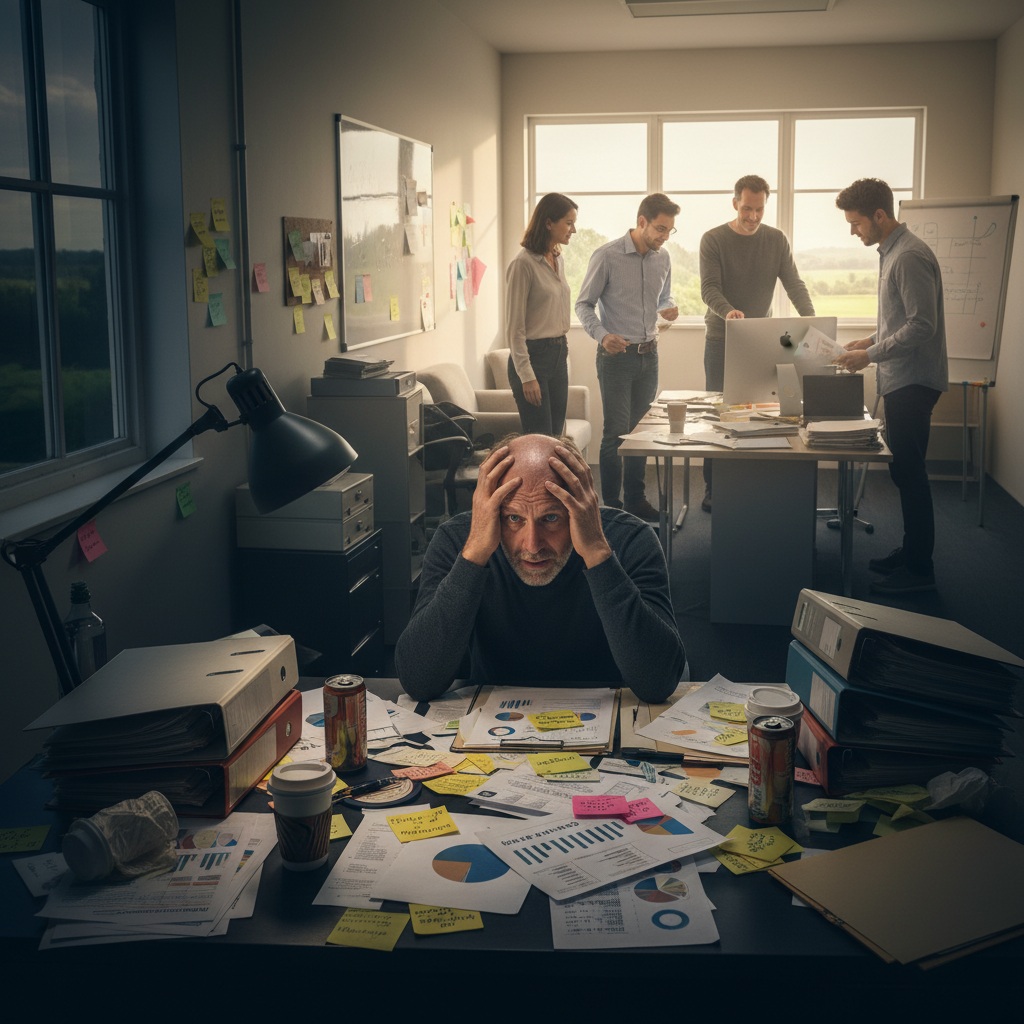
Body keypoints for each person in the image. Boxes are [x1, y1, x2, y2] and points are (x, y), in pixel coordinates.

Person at [394, 433, 686, 703]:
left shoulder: (631, 539)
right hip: (492, 728)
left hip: (605, 719)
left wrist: (598, 553)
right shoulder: (459, 540)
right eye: (513, 519)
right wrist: (473, 557)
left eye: (551, 518)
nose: (532, 545)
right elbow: (420, 681)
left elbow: (658, 682)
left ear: (582, 505)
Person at [834, 177, 948, 595]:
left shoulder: (908, 256)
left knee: (911, 474)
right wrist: (867, 341)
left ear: (879, 216)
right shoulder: (891, 252)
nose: (853, 231)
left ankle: (920, 572)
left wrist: (870, 355)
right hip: (903, 378)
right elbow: (898, 319)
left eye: (857, 223)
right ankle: (912, 551)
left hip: (913, 381)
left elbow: (922, 325)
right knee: (904, 472)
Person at [699, 174, 815, 511]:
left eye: (759, 209)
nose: (752, 216)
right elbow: (709, 288)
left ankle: (750, 482)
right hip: (722, 337)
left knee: (757, 411)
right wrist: (729, 312)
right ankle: (713, 489)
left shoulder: (776, 240)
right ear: (735, 202)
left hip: (758, 339)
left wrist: (810, 321)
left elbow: (794, 283)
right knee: (721, 411)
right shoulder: (713, 239)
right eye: (747, 208)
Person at [575, 193, 680, 522]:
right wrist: (603, 336)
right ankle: (610, 511)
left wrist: (668, 306)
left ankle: (635, 501)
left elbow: (664, 295)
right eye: (660, 229)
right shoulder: (606, 256)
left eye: (670, 231)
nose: (664, 237)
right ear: (641, 222)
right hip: (616, 359)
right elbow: (583, 305)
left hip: (650, 357)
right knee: (616, 433)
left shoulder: (663, 258)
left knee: (640, 433)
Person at [505, 193, 578, 436]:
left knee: (555, 439)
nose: (574, 230)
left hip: (559, 353)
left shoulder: (558, 259)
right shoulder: (523, 264)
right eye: (568, 223)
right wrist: (527, 376)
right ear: (548, 223)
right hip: (533, 357)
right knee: (539, 441)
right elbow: (514, 330)